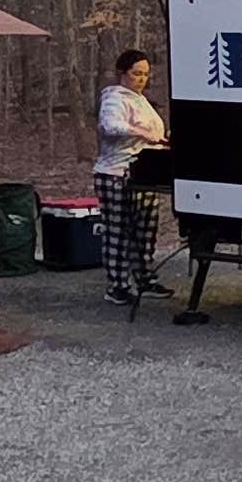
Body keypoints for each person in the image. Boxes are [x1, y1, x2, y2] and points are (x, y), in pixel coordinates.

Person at [93, 48, 170, 309]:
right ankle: (118, 286)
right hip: (116, 173)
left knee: (144, 232)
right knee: (118, 232)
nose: (142, 79)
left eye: (145, 74)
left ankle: (145, 278)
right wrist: (140, 132)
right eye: (137, 74)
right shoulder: (114, 98)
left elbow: (153, 134)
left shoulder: (141, 100)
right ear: (122, 73)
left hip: (144, 174)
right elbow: (110, 126)